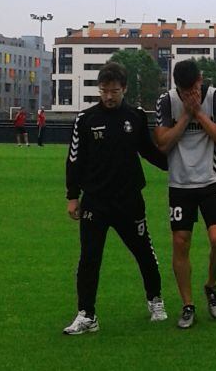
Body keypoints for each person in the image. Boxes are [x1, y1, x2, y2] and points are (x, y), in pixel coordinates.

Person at [63, 62, 169, 335]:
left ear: (124, 89)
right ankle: (87, 314)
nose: (109, 97)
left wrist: (175, 167)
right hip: (95, 202)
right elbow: (74, 159)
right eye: (104, 91)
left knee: (144, 252)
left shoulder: (134, 116)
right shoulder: (84, 120)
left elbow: (148, 150)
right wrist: (72, 196)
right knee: (89, 258)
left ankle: (155, 300)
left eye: (114, 91)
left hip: (129, 200)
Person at [154, 59, 216, 329]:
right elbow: (162, 143)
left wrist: (198, 113)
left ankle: (211, 284)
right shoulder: (166, 102)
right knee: (181, 241)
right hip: (180, 182)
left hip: (213, 178)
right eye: (183, 91)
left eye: (193, 88)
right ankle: (188, 304)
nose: (188, 95)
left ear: (200, 80)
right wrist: (185, 115)